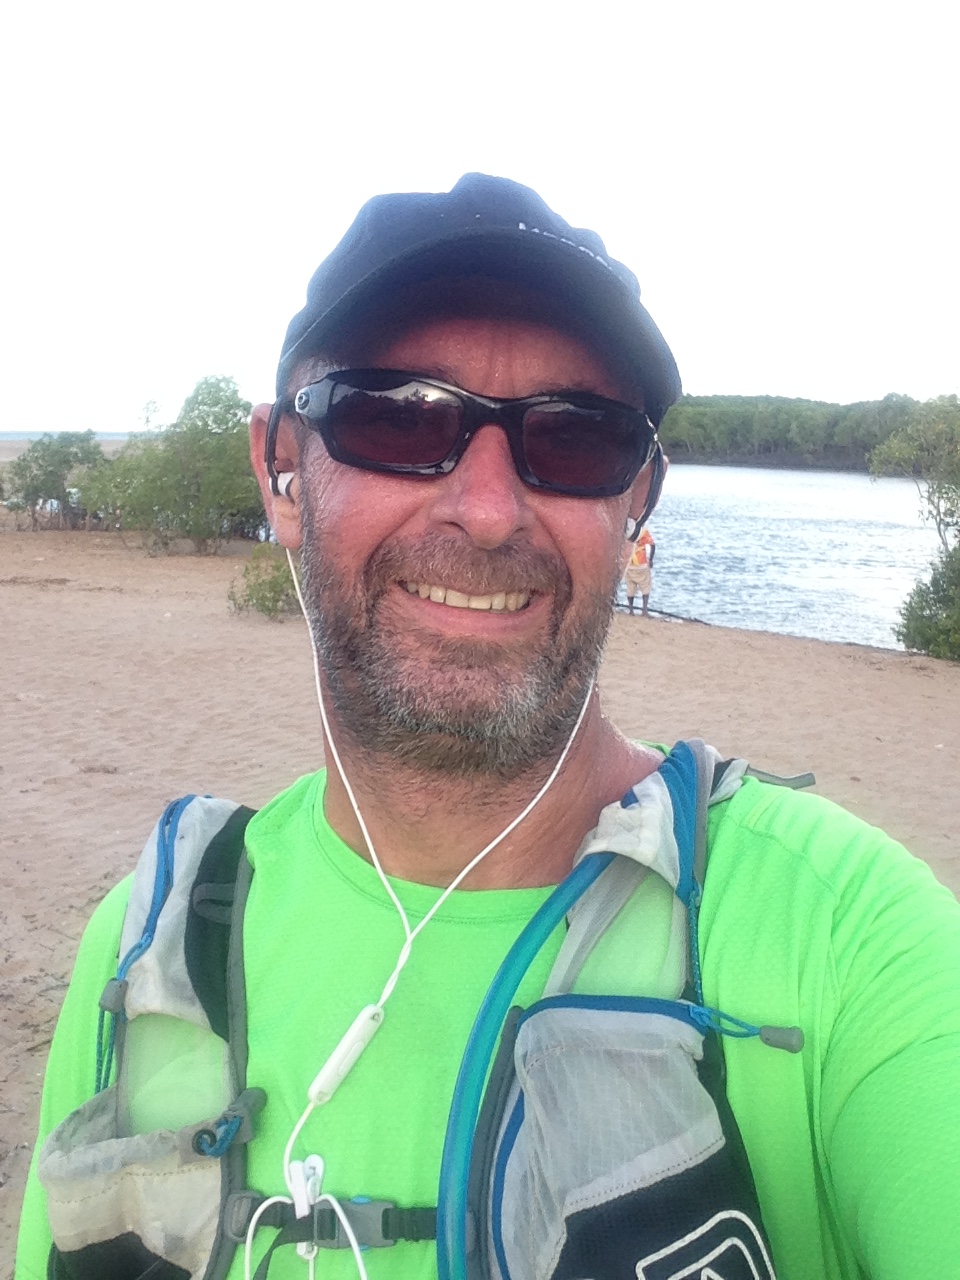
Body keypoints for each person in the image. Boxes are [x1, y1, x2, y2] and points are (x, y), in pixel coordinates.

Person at [15, 174, 960, 1280]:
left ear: (637, 500)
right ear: (280, 471)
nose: (488, 508)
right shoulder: (141, 953)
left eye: (575, 438)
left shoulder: (853, 941)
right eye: (398, 416)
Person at [624, 523, 655, 615]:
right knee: (646, 586)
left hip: (629, 562)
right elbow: (652, 545)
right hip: (641, 563)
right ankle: (644, 610)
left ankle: (631, 610)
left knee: (630, 588)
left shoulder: (626, 531)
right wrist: (651, 559)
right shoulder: (643, 532)